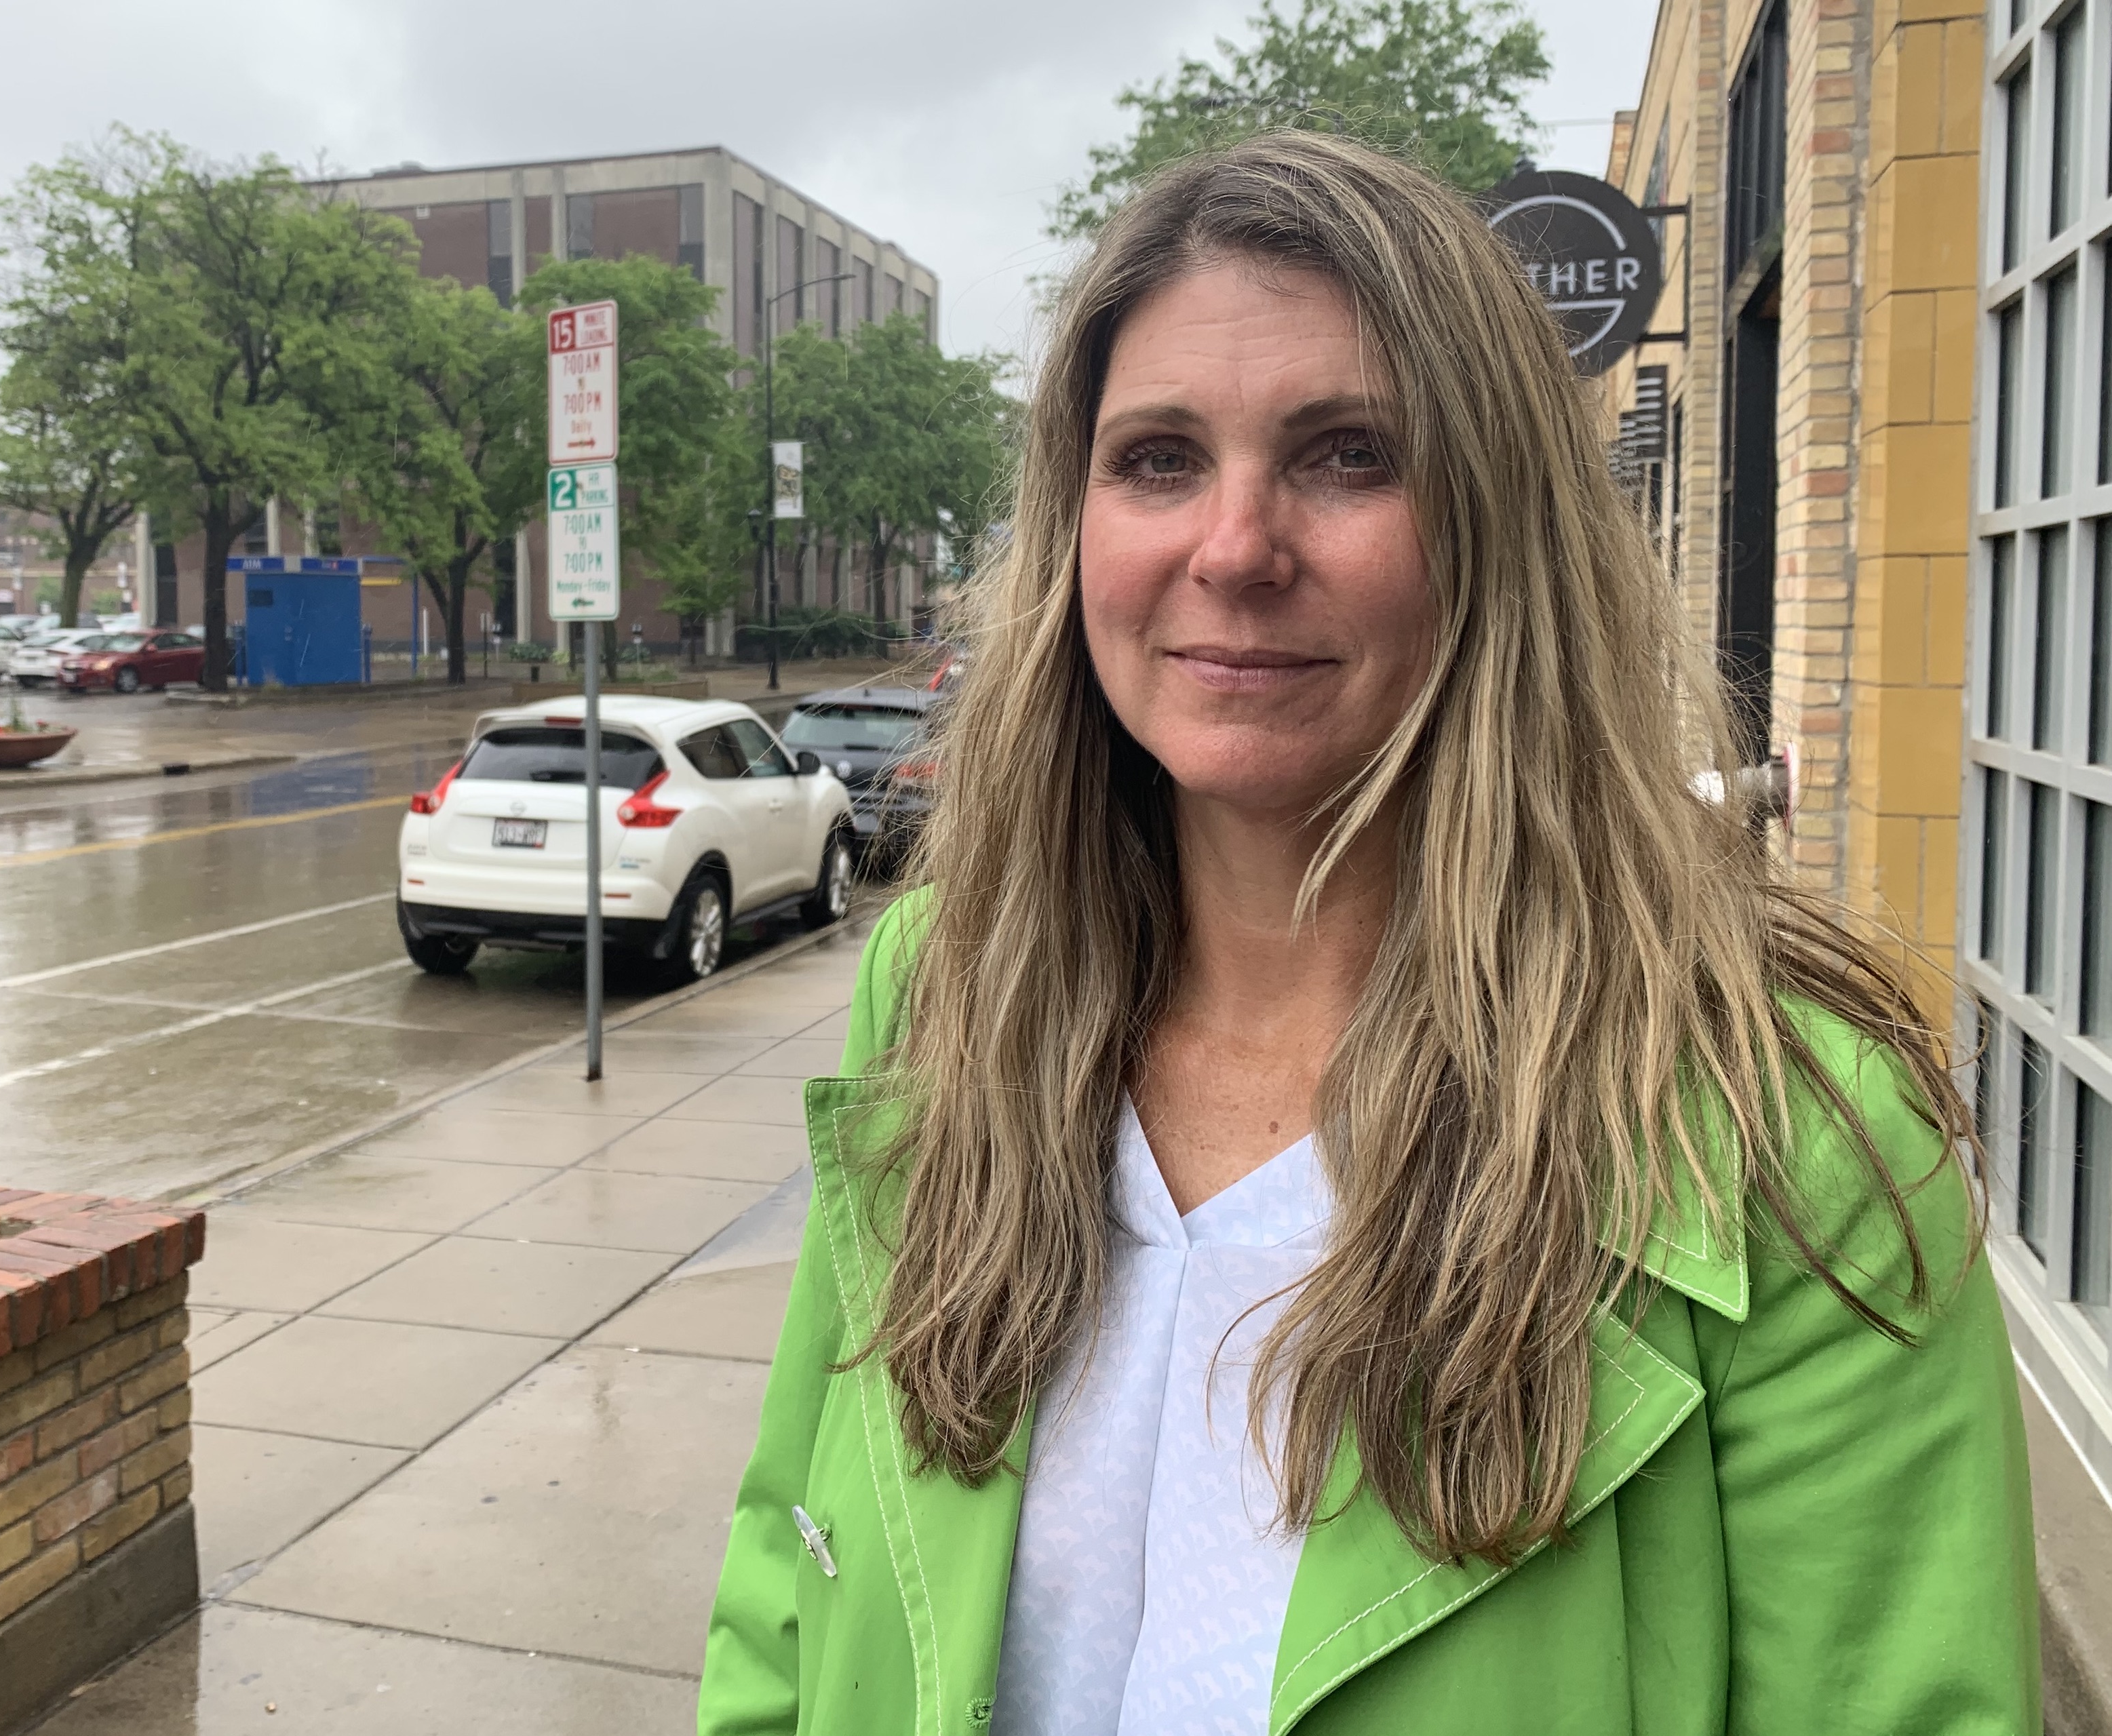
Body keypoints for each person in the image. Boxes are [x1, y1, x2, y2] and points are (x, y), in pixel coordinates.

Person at [699, 132, 2041, 1736]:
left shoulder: (1790, 1140)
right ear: (1073, 531)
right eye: (1158, 459)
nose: (1234, 547)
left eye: (1348, 455)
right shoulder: (944, 986)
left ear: (1500, 527)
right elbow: (789, 1595)